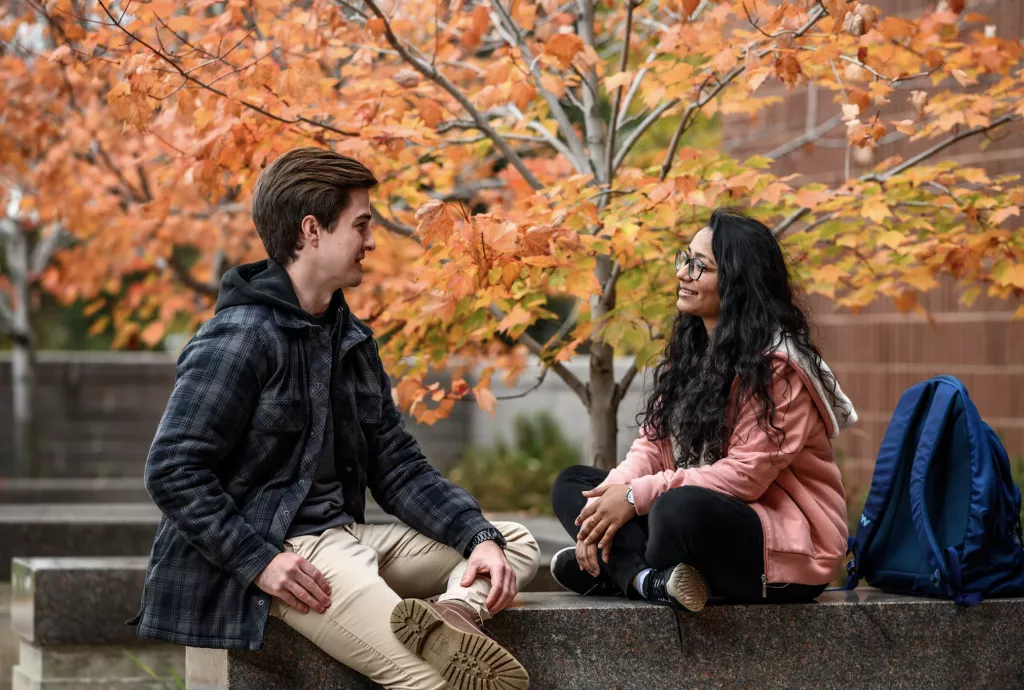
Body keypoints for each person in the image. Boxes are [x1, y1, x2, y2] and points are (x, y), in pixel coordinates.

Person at [131, 147, 540, 690]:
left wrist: (475, 535)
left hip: (349, 537)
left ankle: (452, 617)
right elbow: (172, 469)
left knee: (508, 544)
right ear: (312, 231)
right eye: (361, 225)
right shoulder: (240, 336)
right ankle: (435, 646)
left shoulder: (349, 337)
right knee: (434, 682)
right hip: (290, 554)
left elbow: (395, 464)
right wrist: (259, 563)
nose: (372, 242)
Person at [549, 208, 856, 612]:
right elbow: (652, 446)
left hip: (781, 552)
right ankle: (646, 580)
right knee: (574, 484)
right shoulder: (692, 349)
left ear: (736, 282)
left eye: (700, 267)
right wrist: (613, 495)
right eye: (685, 259)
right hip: (704, 524)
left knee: (678, 511)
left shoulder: (779, 366)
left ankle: (617, 569)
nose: (683, 273)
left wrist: (633, 497)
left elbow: (744, 478)